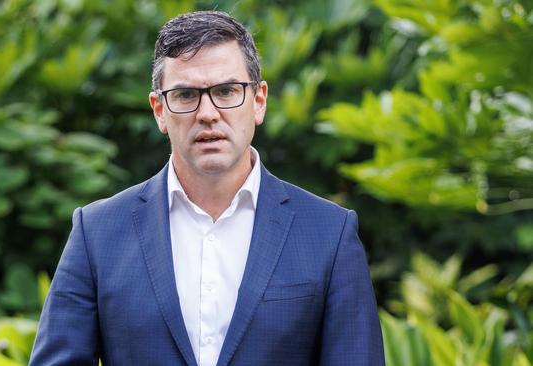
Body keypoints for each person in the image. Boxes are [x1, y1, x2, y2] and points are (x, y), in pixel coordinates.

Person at [29, 10, 384, 366]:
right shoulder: (97, 233)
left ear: (258, 101)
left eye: (227, 91)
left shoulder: (329, 233)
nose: (208, 113)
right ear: (159, 111)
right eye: (185, 95)